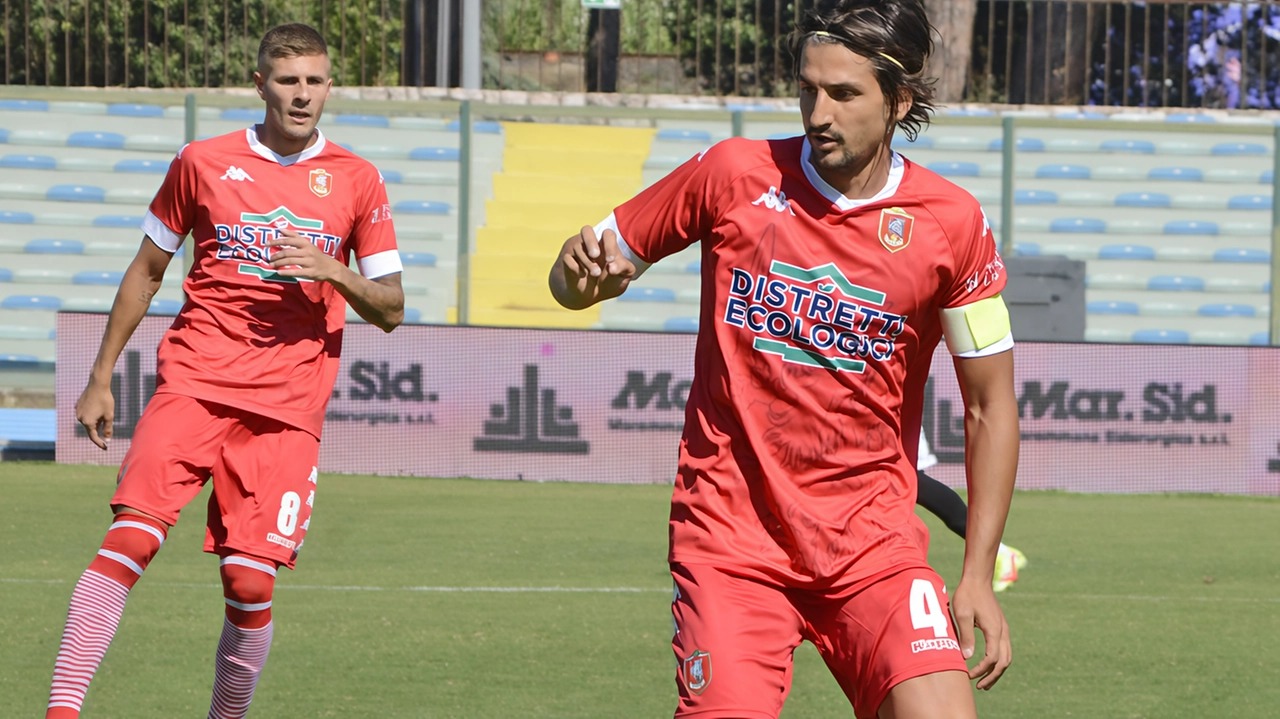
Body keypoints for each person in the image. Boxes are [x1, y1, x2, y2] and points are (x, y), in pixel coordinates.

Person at [549, 0, 1018, 716]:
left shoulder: (953, 225)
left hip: (874, 549)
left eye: (844, 93)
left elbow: (990, 405)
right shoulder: (733, 172)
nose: (818, 113)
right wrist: (576, 277)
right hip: (732, 545)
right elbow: (577, 278)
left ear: (899, 100)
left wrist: (977, 572)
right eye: (807, 89)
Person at [45, 23, 404, 719]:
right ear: (261, 84)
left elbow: (390, 307)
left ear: (330, 87)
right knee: (130, 538)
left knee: (248, 581)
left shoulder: (359, 180)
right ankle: (62, 711)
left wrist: (333, 268)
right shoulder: (203, 162)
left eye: (314, 81)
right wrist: (99, 375)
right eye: (288, 80)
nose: (302, 95)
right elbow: (147, 271)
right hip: (194, 382)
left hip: (288, 407)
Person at [915, 430, 1026, 592]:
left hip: (890, 423)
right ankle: (1001, 552)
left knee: (911, 482)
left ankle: (1001, 553)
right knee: (910, 484)